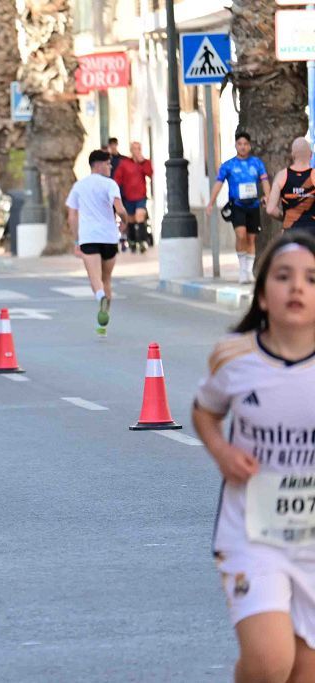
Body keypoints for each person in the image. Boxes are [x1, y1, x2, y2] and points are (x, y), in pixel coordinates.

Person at [192, 231, 315, 683]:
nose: (297, 288)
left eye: (311, 278)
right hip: (252, 535)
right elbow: (204, 411)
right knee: (269, 662)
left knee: (304, 672)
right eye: (284, 277)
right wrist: (222, 452)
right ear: (263, 295)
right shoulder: (235, 358)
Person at [65, 149, 130, 335]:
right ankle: (103, 325)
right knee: (106, 278)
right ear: (98, 164)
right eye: (108, 164)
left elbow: (72, 215)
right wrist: (124, 223)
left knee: (95, 278)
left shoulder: (79, 186)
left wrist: (76, 238)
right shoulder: (111, 185)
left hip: (89, 238)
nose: (110, 167)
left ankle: (100, 297)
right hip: (109, 237)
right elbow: (120, 208)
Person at [206, 132, 271, 284]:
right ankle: (242, 269)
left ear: (249, 146)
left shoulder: (257, 163)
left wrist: (267, 197)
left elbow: (265, 181)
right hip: (237, 205)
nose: (242, 147)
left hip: (253, 205)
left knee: (251, 238)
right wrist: (211, 202)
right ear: (236, 145)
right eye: (240, 144)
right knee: (241, 235)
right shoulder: (228, 165)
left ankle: (249, 271)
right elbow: (218, 183)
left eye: (245, 144)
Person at [267, 137, 315, 238]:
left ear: (292, 155)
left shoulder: (282, 176)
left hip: (290, 231)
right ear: (311, 155)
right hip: (312, 232)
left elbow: (270, 209)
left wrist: (284, 217)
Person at [112, 142, 153, 253]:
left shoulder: (145, 162)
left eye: (138, 148)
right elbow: (117, 178)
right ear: (131, 150)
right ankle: (133, 242)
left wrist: (143, 162)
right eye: (134, 148)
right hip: (128, 196)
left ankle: (142, 242)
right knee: (131, 219)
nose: (137, 151)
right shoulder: (124, 164)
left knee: (140, 215)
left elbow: (150, 173)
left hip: (141, 196)